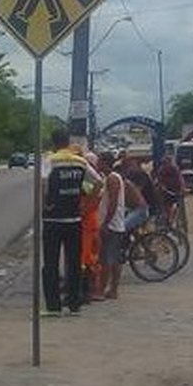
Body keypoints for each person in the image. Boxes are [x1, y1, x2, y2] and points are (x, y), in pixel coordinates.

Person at [40, 128, 103, 316]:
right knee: (74, 262)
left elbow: (42, 183)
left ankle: (53, 307)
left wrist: (44, 204)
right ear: (68, 142)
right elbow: (99, 182)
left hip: (53, 219)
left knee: (51, 263)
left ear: (53, 143)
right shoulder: (80, 162)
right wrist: (87, 203)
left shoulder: (49, 160)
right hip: (75, 219)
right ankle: (74, 305)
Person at [97, 151, 127, 300]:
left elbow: (113, 203)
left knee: (107, 259)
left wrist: (105, 223)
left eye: (99, 161)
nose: (97, 164)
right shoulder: (109, 178)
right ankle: (112, 289)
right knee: (114, 258)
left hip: (112, 225)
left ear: (104, 163)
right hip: (114, 224)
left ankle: (103, 289)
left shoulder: (112, 179)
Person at [80, 151, 104, 302]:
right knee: (92, 258)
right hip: (92, 222)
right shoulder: (97, 179)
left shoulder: (91, 182)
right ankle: (93, 289)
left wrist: (82, 210)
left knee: (87, 259)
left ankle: (89, 291)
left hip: (88, 223)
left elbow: (89, 199)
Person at [157, 152, 185, 226]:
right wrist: (162, 187)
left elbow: (180, 179)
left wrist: (182, 189)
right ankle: (168, 219)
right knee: (166, 206)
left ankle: (172, 219)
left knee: (174, 205)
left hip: (175, 190)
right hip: (166, 192)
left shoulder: (174, 168)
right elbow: (160, 181)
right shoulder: (161, 170)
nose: (166, 164)